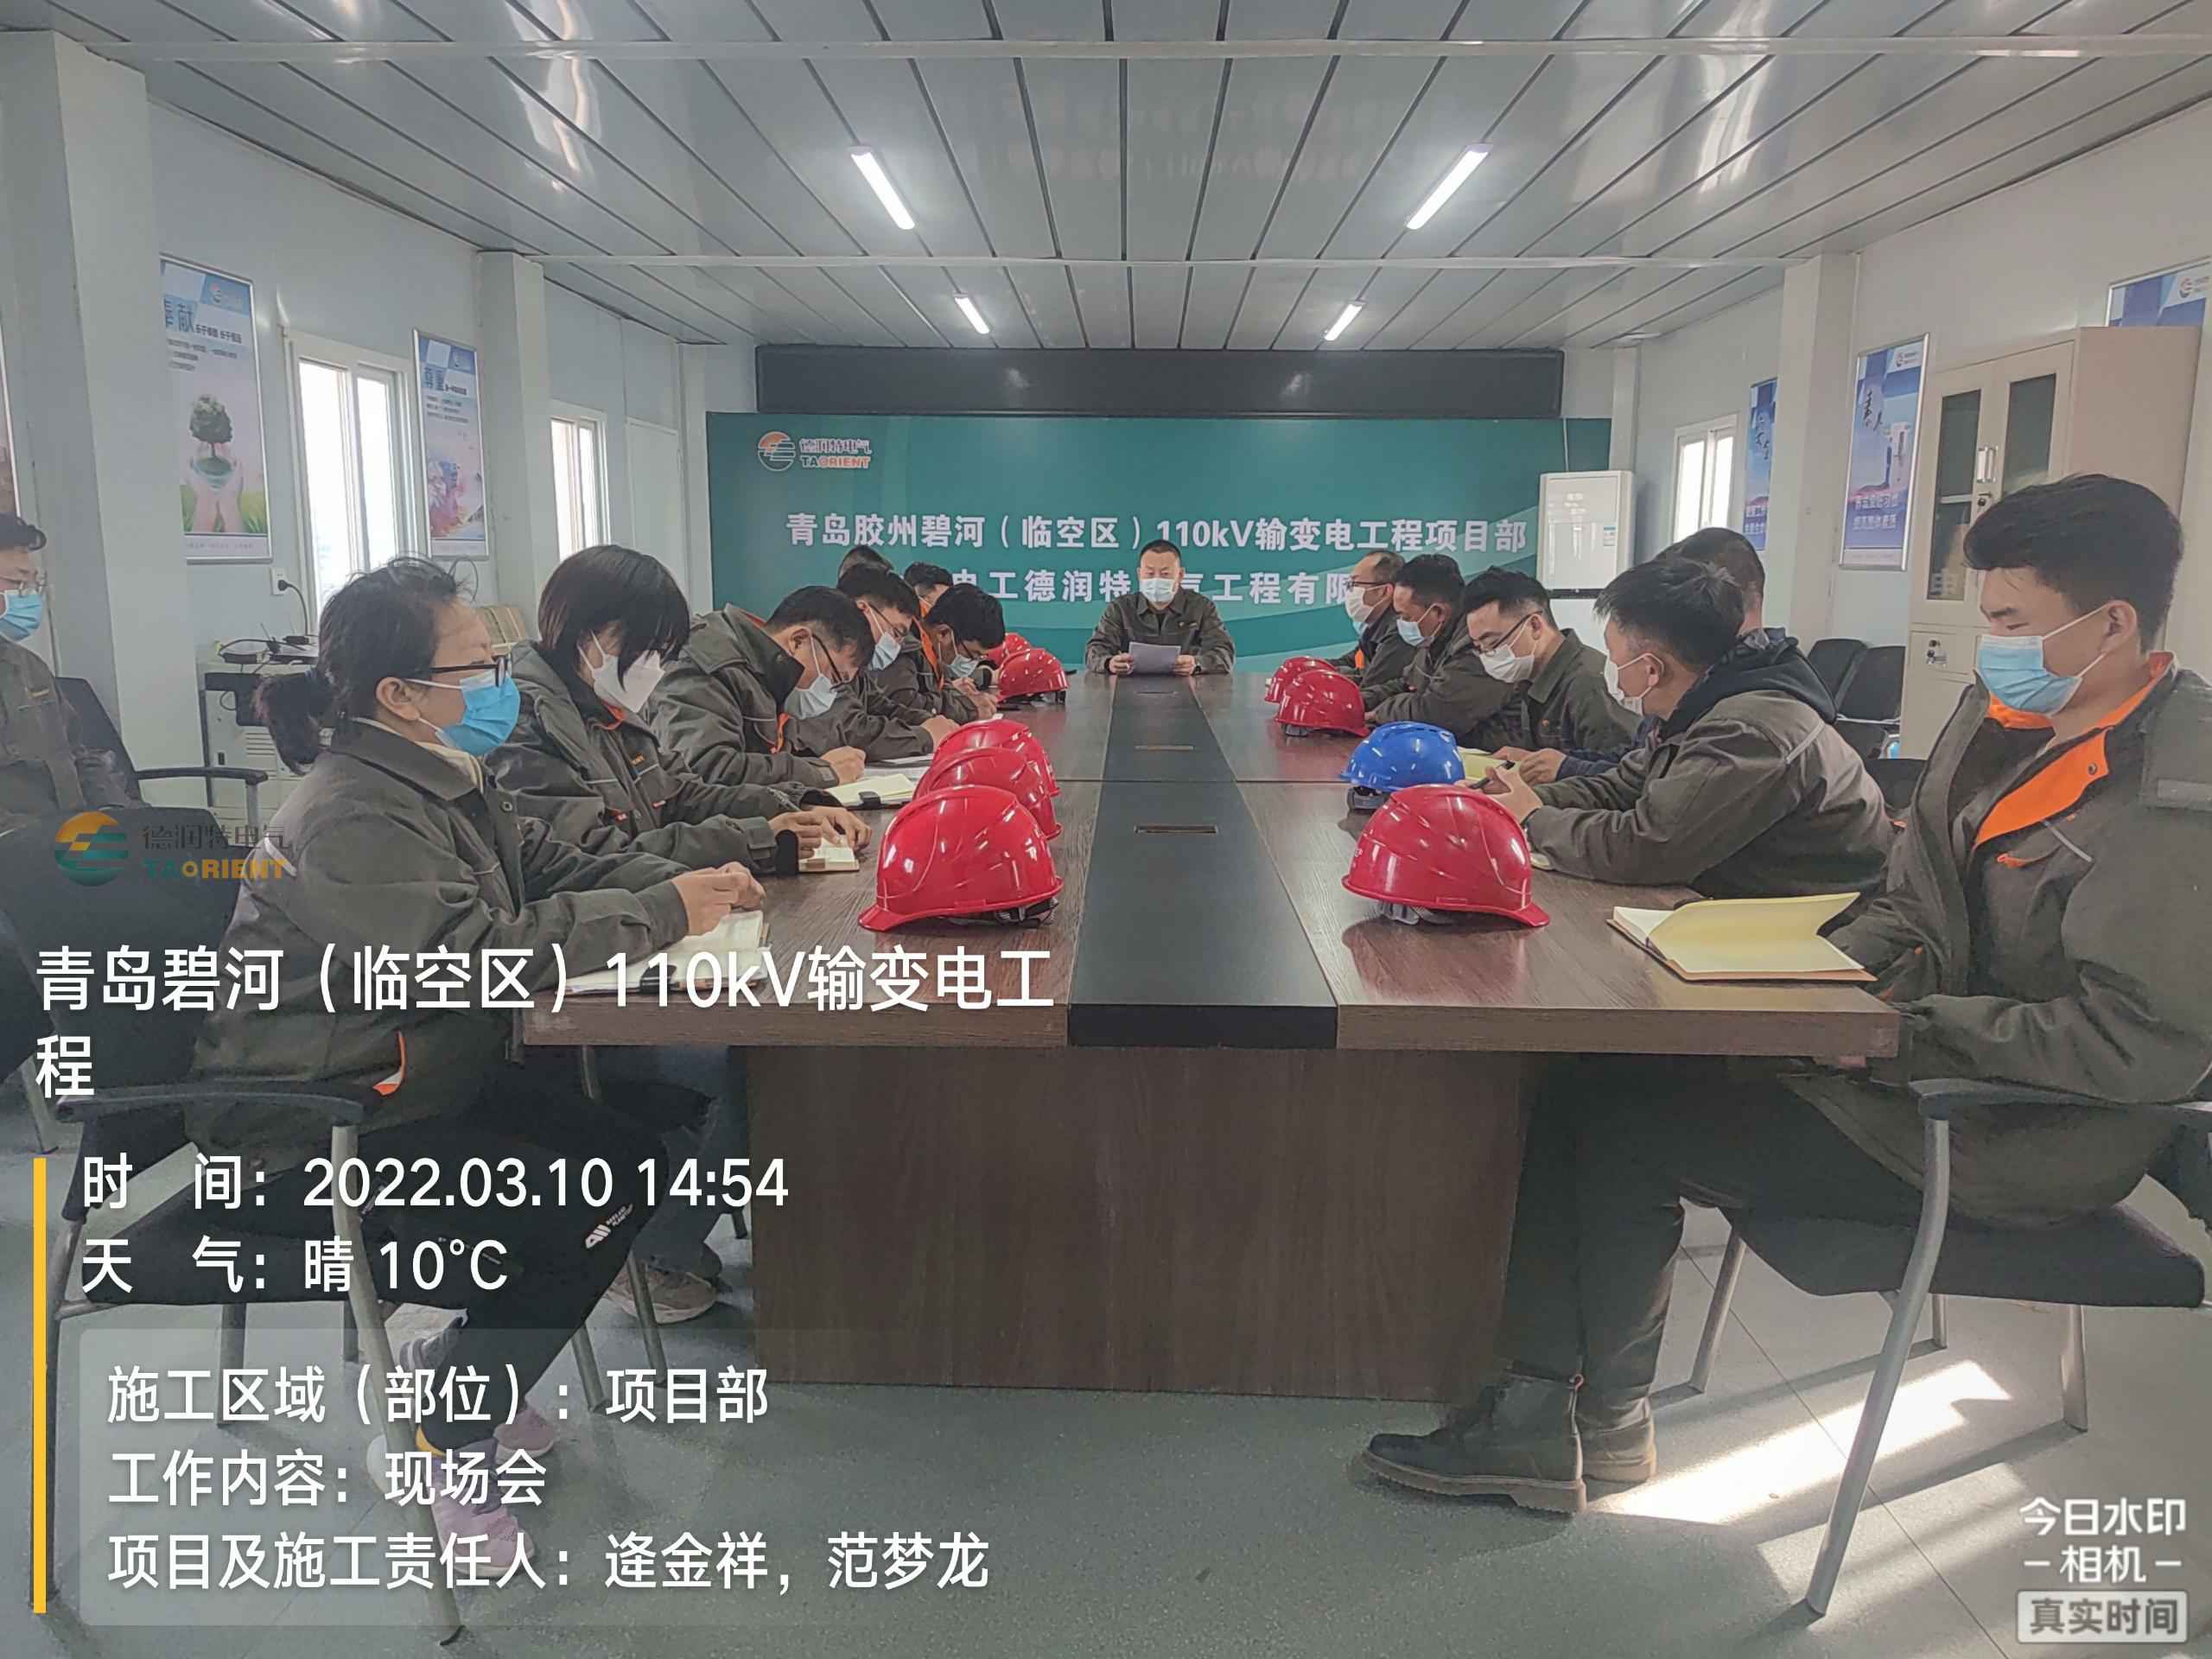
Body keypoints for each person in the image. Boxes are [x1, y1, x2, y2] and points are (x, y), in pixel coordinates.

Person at [1362, 474, 2212, 1513]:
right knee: (1588, 1077)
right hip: (1898, 1061)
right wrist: (1811, 979)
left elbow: (2137, 1046)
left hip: (2010, 1131)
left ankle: (1557, 1426)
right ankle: (1576, 1421)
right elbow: (1907, 905)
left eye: (2008, 623)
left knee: (1621, 1125)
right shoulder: (1999, 728)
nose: (1988, 645)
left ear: (2111, 623)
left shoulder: (2176, 801)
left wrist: (1896, 1032)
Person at [189, 558, 763, 1566]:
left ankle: (460, 1372)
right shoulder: (351, 814)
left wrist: (693, 883)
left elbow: (557, 867)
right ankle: (440, 1433)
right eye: (476, 665)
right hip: (314, 1125)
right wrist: (659, 914)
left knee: (629, 1162)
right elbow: (465, 958)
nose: (501, 681)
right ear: (399, 693)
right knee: (577, 1203)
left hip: (416, 1080)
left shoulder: (442, 779)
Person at [488, 544, 868, 1319]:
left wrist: (778, 820)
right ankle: (651, 1251)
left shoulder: (600, 709)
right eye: (651, 649)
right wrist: (710, 872)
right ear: (597, 635)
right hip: (571, 989)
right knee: (754, 1062)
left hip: (624, 945)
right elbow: (587, 859)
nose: (659, 667)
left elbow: (676, 797)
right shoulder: (528, 728)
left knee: (764, 1046)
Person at [1480, 556, 1890, 899]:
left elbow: (1647, 847)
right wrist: (1509, 802)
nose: (1610, 670)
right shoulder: (1695, 707)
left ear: (1651, 669)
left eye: (1613, 656)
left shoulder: (1746, 730)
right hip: (1731, 901)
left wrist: (1534, 818)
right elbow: (1623, 787)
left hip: (1815, 930)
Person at [1518, 528, 1768, 784]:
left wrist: (1562, 774)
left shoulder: (1741, 720)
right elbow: (1634, 770)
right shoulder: (1683, 689)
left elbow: (1651, 801)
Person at [652, 587, 873, 791]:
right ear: (798, 641)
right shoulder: (708, 663)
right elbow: (705, 770)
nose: (831, 692)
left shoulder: (774, 678)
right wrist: (820, 772)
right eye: (834, 677)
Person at [0, 514, 126, 832]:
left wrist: (117, 811)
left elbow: (77, 753)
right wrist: (37, 840)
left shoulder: (28, 667)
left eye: (33, 584)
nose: (28, 595)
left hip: (73, 834)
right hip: (23, 843)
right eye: (17, 584)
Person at [1457, 567, 1633, 757]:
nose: (1488, 655)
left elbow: (1619, 770)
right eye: (1479, 647)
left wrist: (1559, 768)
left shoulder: (1589, 686)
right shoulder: (1531, 681)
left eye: (1493, 643)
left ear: (1535, 626)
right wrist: (1527, 761)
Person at [809, 563, 961, 760]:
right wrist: (925, 736)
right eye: (896, 633)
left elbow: (882, 707)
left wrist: (930, 722)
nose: (897, 645)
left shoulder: (857, 667)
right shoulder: (820, 655)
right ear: (863, 611)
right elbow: (853, 731)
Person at [1365, 552, 1510, 741]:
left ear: (1438, 612)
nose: (1399, 623)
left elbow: (1434, 712)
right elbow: (1407, 684)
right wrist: (1362, 702)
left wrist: (1379, 713)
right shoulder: (1434, 638)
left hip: (1493, 752)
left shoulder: (1477, 645)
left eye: (1405, 617)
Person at [1086, 538, 1234, 675]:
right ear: (1139, 574)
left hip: (1188, 686)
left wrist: (1197, 663)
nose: (1156, 580)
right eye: (1150, 573)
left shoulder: (1201, 607)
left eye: (1165, 574)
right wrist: (1109, 663)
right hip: (1129, 687)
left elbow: (1224, 654)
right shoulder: (1121, 608)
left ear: (1180, 575)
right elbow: (1095, 650)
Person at [1330, 549, 1417, 710]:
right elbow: (1349, 661)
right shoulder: (1374, 629)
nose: (1350, 592)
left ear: (1383, 591)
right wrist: (1314, 668)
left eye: (1354, 584)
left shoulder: (1399, 631)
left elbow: (1370, 686)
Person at [917, 581, 1007, 721]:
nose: (972, 663)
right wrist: (971, 710)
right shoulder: (907, 650)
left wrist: (969, 700)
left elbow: (941, 692)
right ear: (944, 633)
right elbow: (911, 708)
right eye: (972, 655)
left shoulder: (936, 654)